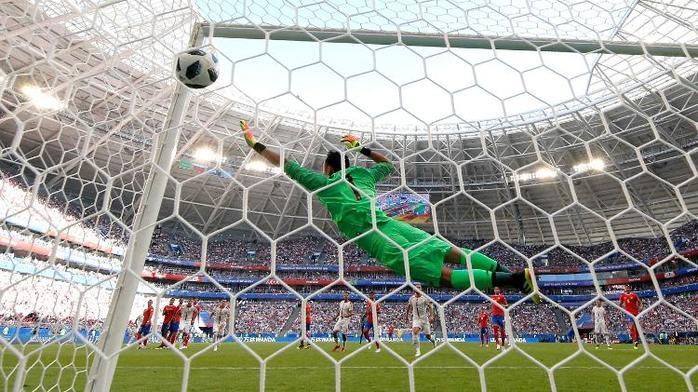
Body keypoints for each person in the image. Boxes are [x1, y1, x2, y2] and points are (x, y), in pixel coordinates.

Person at [241, 121, 538, 301]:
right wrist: (360, 148)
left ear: (328, 168)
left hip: (377, 238)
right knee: (452, 252)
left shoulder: (324, 183)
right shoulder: (363, 176)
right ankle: (516, 277)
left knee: (439, 275)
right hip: (395, 225)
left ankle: (512, 280)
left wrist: (255, 144)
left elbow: (287, 165)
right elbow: (388, 165)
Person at [407, 284, 436, 357]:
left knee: (428, 336)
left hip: (424, 319)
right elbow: (409, 306)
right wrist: (407, 316)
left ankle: (433, 340)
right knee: (415, 332)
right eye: (416, 287)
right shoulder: (411, 298)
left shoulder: (424, 298)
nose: (418, 288)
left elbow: (430, 306)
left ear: (421, 289)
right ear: (414, 289)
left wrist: (431, 315)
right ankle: (418, 351)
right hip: (416, 318)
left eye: (419, 287)